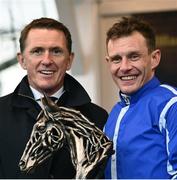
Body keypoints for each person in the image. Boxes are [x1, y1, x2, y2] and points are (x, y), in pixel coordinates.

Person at [0, 17, 108, 178]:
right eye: (37, 51)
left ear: (69, 60)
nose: (47, 60)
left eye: (56, 51)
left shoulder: (98, 118)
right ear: (22, 60)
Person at [104, 16, 177, 179]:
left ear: (154, 58)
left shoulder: (171, 105)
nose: (125, 67)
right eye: (116, 59)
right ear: (108, 63)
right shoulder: (115, 114)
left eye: (134, 56)